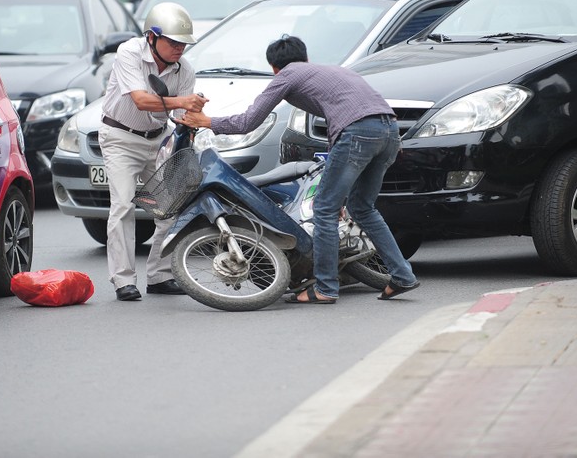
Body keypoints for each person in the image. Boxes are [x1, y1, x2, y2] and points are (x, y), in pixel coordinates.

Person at [179, 36, 418, 304]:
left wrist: (206, 121)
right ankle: (402, 275)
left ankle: (325, 288)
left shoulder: (287, 75)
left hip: (358, 133)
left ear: (274, 68)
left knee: (324, 210)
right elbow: (341, 125)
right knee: (363, 208)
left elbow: (249, 121)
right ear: (306, 57)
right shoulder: (331, 71)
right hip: (389, 132)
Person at [100, 2, 208, 301]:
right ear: (151, 37)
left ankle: (160, 276)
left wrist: (193, 116)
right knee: (123, 206)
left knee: (168, 208)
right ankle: (123, 280)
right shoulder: (129, 53)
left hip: (158, 139)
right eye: (173, 42)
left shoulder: (184, 70)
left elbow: (178, 115)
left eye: (183, 44)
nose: (179, 49)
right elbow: (141, 100)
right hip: (121, 137)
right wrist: (183, 102)